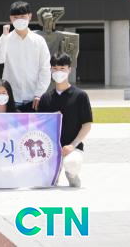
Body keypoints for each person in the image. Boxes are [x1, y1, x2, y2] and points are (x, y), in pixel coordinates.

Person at [38, 53, 93, 188]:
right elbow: (39, 126)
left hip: (72, 148)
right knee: (45, 182)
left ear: (69, 69)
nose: (58, 72)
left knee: (72, 163)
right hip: (50, 150)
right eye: (55, 68)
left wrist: (72, 145)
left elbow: (87, 125)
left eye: (62, 68)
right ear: (51, 70)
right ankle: (54, 174)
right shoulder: (45, 98)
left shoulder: (80, 96)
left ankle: (72, 175)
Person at [0, 1, 51, 112]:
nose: (19, 20)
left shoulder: (39, 41)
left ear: (30, 16)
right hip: (11, 98)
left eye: (23, 16)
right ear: (11, 19)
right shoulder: (6, 38)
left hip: (33, 98)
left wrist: (39, 93)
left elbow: (45, 69)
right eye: (15, 17)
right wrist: (4, 37)